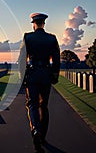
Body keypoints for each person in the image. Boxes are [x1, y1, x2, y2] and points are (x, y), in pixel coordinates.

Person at [18, 12, 60, 153]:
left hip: (32, 73)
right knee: (44, 106)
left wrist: (22, 76)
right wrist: (54, 75)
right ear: (44, 23)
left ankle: (35, 129)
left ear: (34, 24)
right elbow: (56, 59)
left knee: (32, 104)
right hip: (46, 74)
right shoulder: (52, 38)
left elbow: (22, 58)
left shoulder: (28, 37)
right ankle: (42, 136)